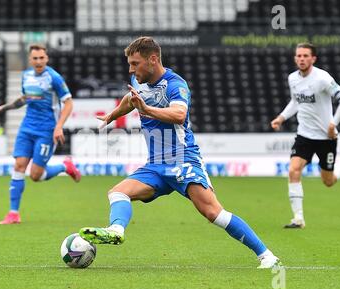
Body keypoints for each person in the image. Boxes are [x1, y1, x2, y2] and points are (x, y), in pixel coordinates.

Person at [78, 37, 280, 269]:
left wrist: (147, 109)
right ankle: (115, 230)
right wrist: (111, 116)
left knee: (213, 213)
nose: (131, 69)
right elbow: (130, 100)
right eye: (130, 64)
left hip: (182, 161)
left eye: (135, 63)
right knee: (117, 193)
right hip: (155, 165)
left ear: (153, 59)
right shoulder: (138, 80)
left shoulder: (176, 85)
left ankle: (267, 256)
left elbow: (179, 115)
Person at [0, 44, 81, 225]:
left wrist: (59, 126)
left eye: (41, 58)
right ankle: (13, 213)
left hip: (46, 130)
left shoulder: (54, 78)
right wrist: (2, 108)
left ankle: (64, 166)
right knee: (19, 166)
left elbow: (68, 103)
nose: (38, 61)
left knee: (35, 176)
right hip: (27, 127)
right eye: (35, 58)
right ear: (30, 60)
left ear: (47, 59)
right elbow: (24, 99)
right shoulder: (26, 76)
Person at [271, 43, 340, 229]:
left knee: (328, 181)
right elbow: (295, 101)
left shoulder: (322, 78)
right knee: (293, 170)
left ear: (313, 59)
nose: (301, 58)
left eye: (305, 56)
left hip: (326, 137)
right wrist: (281, 118)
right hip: (304, 135)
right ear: (295, 58)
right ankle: (298, 219)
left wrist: (333, 123)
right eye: (298, 55)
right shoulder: (292, 78)